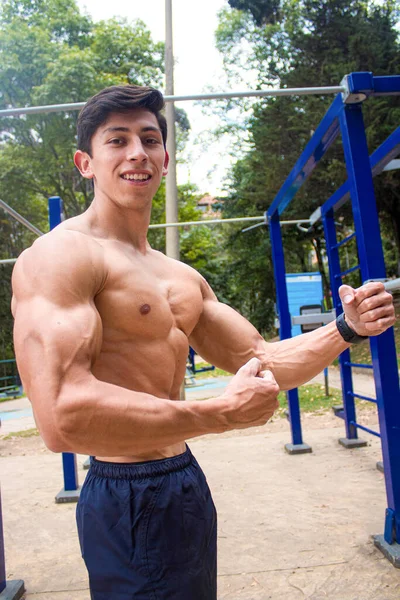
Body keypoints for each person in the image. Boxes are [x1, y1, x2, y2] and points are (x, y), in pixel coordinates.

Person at [11, 84, 395, 600]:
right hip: (124, 488)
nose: (136, 153)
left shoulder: (181, 278)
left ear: (165, 159)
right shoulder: (60, 257)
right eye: (116, 140)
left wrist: (347, 328)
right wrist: (218, 412)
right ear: (86, 162)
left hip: (182, 479)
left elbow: (264, 363)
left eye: (149, 139)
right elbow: (61, 417)